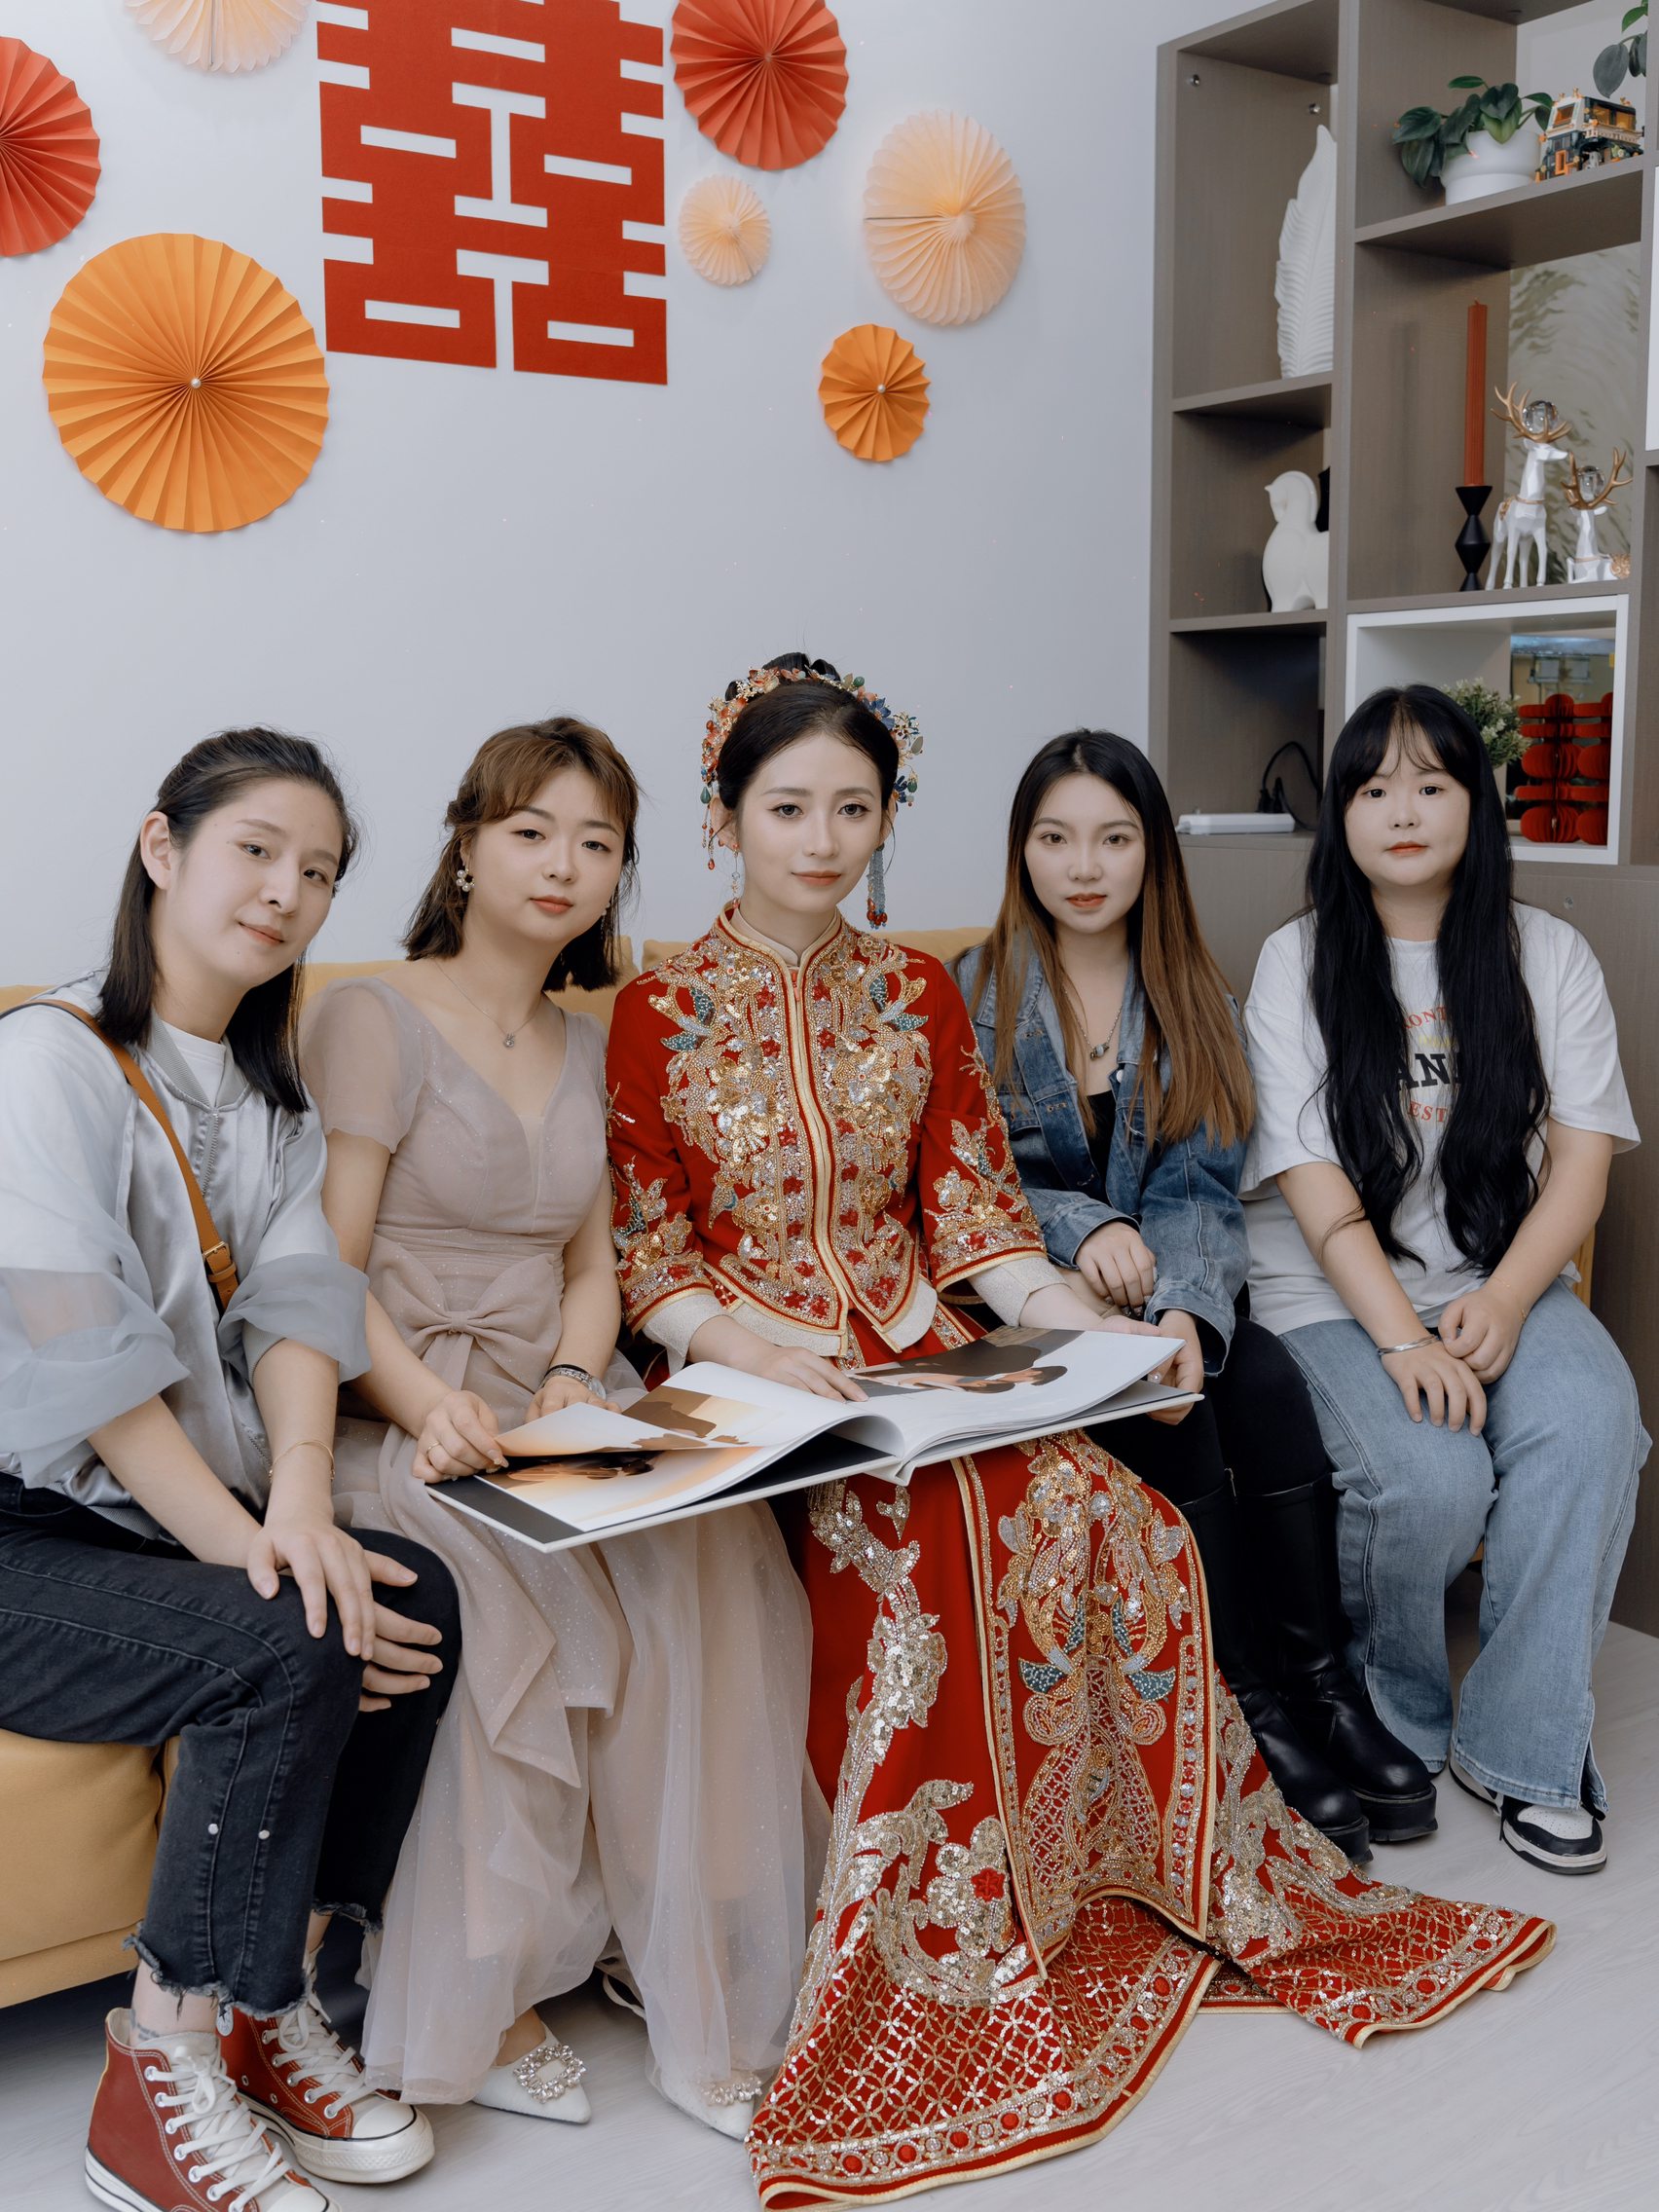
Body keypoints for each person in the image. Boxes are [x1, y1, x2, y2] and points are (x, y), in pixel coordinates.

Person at [606, 653, 1554, 2200]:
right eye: (788, 808)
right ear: (726, 819)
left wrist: (1085, 1332)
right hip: (752, 1374)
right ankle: (933, 1930)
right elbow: (650, 1257)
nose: (823, 839)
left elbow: (977, 1216)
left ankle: (1085, 1875)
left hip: (923, 1354)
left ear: (890, 818)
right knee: (920, 1562)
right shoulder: (655, 1009)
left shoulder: (917, 993)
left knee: (1110, 1516)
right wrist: (763, 1348)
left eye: (854, 808)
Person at [300, 717, 815, 2139]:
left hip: (550, 1398)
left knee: (709, 1540)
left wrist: (582, 1377)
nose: (563, 864)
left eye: (596, 843)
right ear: (467, 847)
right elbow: (326, 1274)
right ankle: (487, 1988)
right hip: (399, 1404)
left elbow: (594, 1264)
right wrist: (430, 1406)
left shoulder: (593, 1039)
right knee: (498, 1581)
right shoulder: (370, 1016)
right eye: (531, 831)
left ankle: (681, 1952)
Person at [0, 731, 461, 2212]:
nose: (286, 892)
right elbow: (91, 1364)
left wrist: (305, 1502)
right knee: (289, 1630)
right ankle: (159, 2067)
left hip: (142, 1522)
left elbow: (303, 1307)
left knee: (412, 1596)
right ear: (163, 848)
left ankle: (273, 2010)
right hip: (26, 1534)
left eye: (318, 872)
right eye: (256, 850)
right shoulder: (45, 1061)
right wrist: (254, 1548)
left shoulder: (270, 1095)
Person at [957, 730, 1434, 1862]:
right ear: (1022, 851)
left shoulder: (1191, 993)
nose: (1085, 866)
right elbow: (974, 1180)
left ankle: (1320, 1690)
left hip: (1171, 1288)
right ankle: (1242, 1705)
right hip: (1026, 1304)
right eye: (1056, 838)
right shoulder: (967, 996)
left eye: (1114, 839)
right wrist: (1087, 1230)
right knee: (1181, 1413)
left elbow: (1201, 1181)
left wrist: (1180, 1305)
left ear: (1153, 852)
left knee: (1258, 1380)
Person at [1243, 682, 1645, 1877]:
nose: (1404, 811)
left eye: (1432, 784)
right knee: (1427, 1477)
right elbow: (1313, 1185)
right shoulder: (1297, 960)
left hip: (1493, 1275)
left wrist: (1510, 1298)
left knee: (1592, 1422)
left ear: (1478, 801)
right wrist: (1404, 1339)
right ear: (1341, 815)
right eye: (1374, 789)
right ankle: (1394, 1720)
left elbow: (1581, 1164)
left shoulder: (1547, 954)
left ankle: (1525, 1750)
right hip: (1334, 1297)